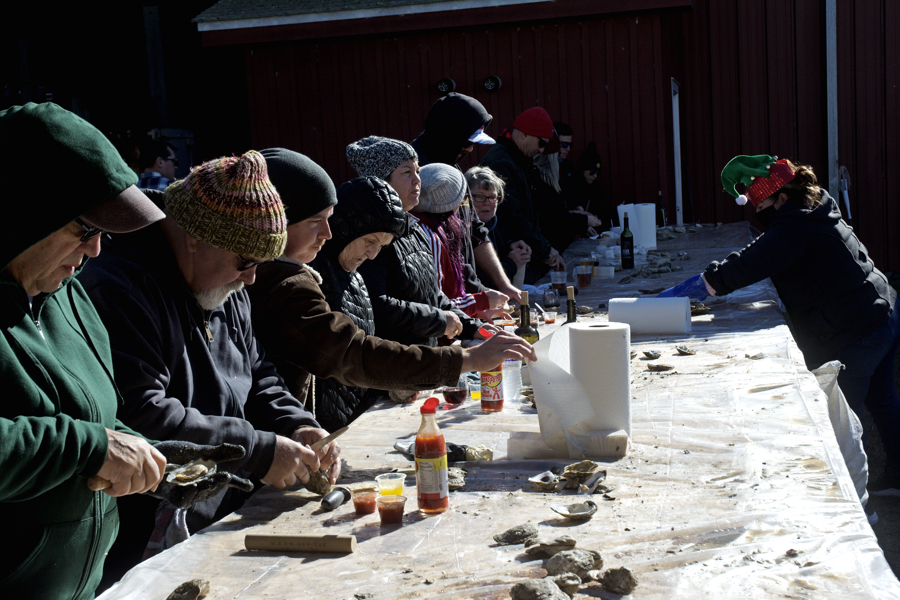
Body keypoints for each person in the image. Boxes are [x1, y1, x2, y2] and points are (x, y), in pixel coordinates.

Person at [79, 150, 341, 567]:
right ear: (195, 238)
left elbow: (257, 373)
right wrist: (259, 449)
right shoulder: (117, 286)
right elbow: (140, 411)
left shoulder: (225, 280)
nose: (250, 278)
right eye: (245, 262)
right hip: (146, 527)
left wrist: (296, 423)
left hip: (219, 506)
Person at [0, 102, 168, 599]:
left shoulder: (68, 292)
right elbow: (79, 440)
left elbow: (93, 414)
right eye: (86, 229)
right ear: (25, 215)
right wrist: (91, 447)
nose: (96, 250)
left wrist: (150, 454)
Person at [659, 154, 900, 495]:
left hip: (857, 330)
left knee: (841, 422)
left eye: (763, 208)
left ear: (782, 197)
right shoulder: (817, 203)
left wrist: (675, 294)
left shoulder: (793, 226)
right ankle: (897, 477)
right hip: (882, 309)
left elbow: (743, 267)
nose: (761, 217)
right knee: (883, 399)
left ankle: (854, 504)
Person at [248, 150, 536, 431]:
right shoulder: (284, 283)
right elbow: (351, 353)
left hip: (333, 420)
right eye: (315, 221)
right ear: (277, 221)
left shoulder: (345, 270)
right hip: (311, 430)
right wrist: (467, 360)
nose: (327, 232)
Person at [347, 136, 482, 347]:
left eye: (418, 171)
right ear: (382, 181)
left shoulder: (415, 227)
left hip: (425, 361)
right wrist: (438, 321)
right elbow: (377, 305)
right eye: (406, 172)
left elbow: (432, 294)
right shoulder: (370, 237)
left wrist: (473, 328)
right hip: (395, 362)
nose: (418, 180)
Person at [411, 92, 521, 303]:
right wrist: (480, 294)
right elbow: (446, 245)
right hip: (439, 300)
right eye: (468, 140)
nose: (470, 148)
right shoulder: (417, 173)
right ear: (450, 133)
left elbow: (475, 228)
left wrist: (503, 284)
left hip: (465, 296)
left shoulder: (452, 164)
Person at [480, 106, 565, 283]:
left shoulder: (519, 159)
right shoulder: (501, 162)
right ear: (524, 134)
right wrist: (545, 249)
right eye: (541, 143)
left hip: (521, 254)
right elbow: (512, 215)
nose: (542, 150)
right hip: (508, 259)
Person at [415, 163, 509, 318]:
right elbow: (438, 307)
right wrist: (480, 301)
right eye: (466, 198)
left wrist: (476, 312)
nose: (467, 205)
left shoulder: (435, 229)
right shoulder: (432, 237)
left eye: (492, 197)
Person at [465, 166, 532, 290]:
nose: (487, 203)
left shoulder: (493, 225)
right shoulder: (464, 233)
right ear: (466, 198)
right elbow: (482, 285)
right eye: (480, 197)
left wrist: (510, 246)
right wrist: (512, 263)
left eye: (492, 197)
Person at [534, 147, 601, 251]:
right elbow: (553, 217)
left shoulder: (551, 182)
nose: (595, 176)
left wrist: (582, 226)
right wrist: (583, 220)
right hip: (549, 246)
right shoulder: (544, 184)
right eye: (592, 172)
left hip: (554, 246)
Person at [565, 141, 615, 230]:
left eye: (597, 172)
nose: (595, 176)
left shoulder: (596, 188)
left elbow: (602, 211)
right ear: (583, 170)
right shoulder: (573, 186)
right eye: (592, 172)